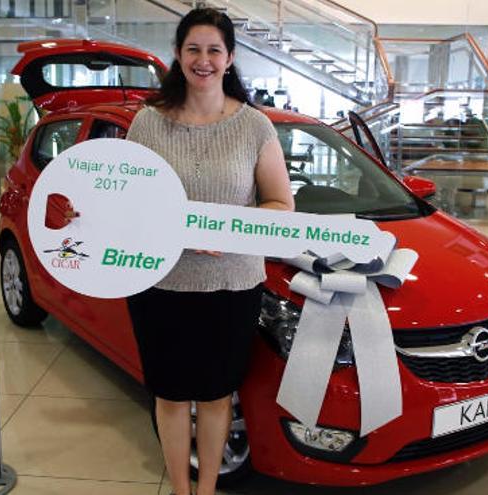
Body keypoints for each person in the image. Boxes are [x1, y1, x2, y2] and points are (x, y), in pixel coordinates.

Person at [124, 8, 293, 495]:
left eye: (213, 50)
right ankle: (182, 490)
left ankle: (206, 489)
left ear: (230, 57)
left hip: (233, 286)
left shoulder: (254, 126)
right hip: (160, 283)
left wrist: (230, 231)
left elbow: (281, 203)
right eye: (193, 49)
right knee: (172, 396)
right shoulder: (147, 125)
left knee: (218, 396)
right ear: (177, 56)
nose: (203, 60)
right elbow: (125, 207)